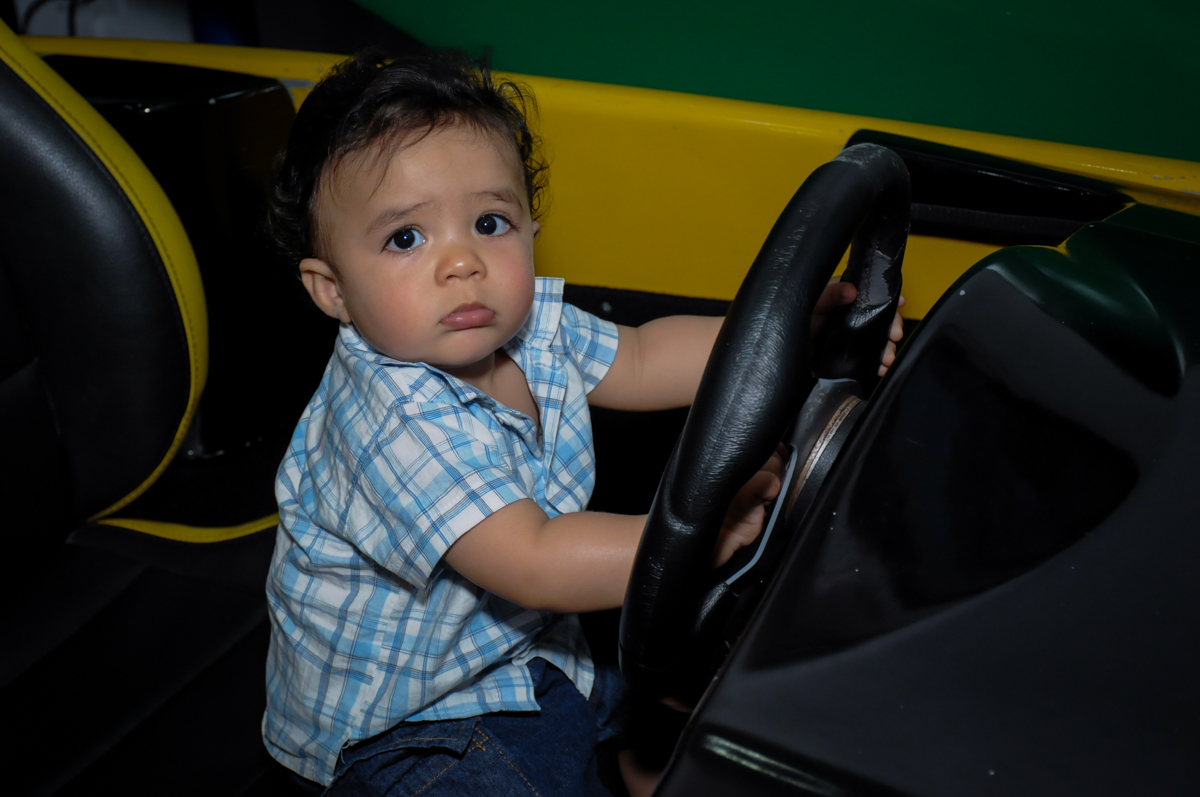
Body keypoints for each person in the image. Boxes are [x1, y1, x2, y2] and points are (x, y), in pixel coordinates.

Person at [262, 48, 903, 796]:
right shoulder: (387, 420)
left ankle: (635, 754)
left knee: (667, 680)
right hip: (409, 726)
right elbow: (533, 560)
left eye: (490, 221)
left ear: (532, 227)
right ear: (332, 289)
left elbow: (641, 356)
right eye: (406, 238)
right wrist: (712, 529)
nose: (462, 261)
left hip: (521, 644)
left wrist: (793, 337)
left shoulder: (526, 328)